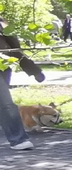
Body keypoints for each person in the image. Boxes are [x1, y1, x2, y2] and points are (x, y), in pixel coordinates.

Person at [0, 18, 45, 151]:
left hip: (2, 68)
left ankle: (18, 139)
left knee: (5, 104)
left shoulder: (2, 24)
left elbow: (14, 49)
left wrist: (34, 71)